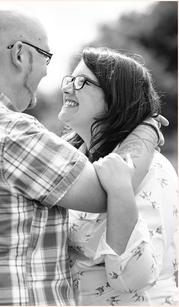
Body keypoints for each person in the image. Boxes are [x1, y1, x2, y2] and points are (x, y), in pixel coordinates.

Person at [0, 9, 163, 305]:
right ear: (20, 55)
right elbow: (108, 192)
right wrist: (147, 128)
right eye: (46, 57)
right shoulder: (11, 132)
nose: (49, 72)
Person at [62, 47, 178, 305]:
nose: (68, 88)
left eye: (82, 82)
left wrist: (120, 191)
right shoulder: (72, 164)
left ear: (116, 99)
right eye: (69, 79)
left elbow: (136, 277)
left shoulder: (152, 168)